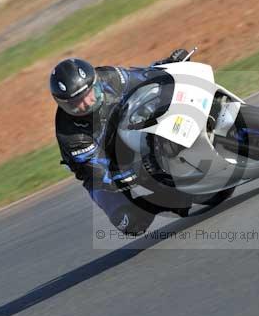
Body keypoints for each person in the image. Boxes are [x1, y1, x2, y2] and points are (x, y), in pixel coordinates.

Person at [50, 49, 191, 235]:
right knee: (129, 223)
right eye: (75, 102)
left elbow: (141, 77)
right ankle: (165, 199)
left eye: (88, 93)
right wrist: (128, 174)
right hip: (104, 171)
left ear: (94, 81)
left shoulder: (108, 77)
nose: (86, 103)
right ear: (63, 104)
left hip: (130, 131)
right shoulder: (70, 135)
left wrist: (168, 65)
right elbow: (98, 172)